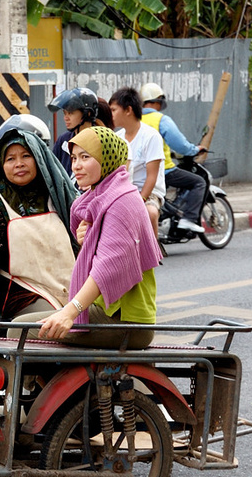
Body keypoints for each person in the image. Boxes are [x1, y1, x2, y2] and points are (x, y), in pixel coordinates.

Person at [12, 126, 162, 349]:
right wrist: (88, 240)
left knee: (19, 329)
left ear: (107, 158)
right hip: (110, 311)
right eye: (73, 158)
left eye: (85, 157)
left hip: (124, 320)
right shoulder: (101, 198)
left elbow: (108, 268)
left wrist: (69, 313)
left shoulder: (121, 201)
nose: (76, 165)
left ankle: (44, 385)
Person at [0, 122, 79, 329]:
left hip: (66, 284)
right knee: (52, 325)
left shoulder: (57, 197)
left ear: (38, 159)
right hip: (20, 291)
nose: (19, 164)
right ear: (1, 166)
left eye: (26, 156)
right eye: (10, 159)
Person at [140, 82, 206, 234]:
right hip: (163, 170)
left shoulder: (134, 120)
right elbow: (180, 145)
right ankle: (188, 219)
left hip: (141, 171)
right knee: (199, 182)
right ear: (156, 102)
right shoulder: (160, 120)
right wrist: (194, 149)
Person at [109, 86, 165, 238]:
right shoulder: (117, 138)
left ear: (128, 110)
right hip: (124, 192)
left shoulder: (151, 136)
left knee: (149, 212)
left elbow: (152, 176)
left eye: (114, 110)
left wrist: (140, 201)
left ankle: (152, 255)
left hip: (148, 193)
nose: (111, 114)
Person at [48, 87, 102, 176]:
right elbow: (53, 171)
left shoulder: (99, 139)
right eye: (64, 113)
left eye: (71, 113)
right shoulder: (63, 140)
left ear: (87, 113)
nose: (66, 118)